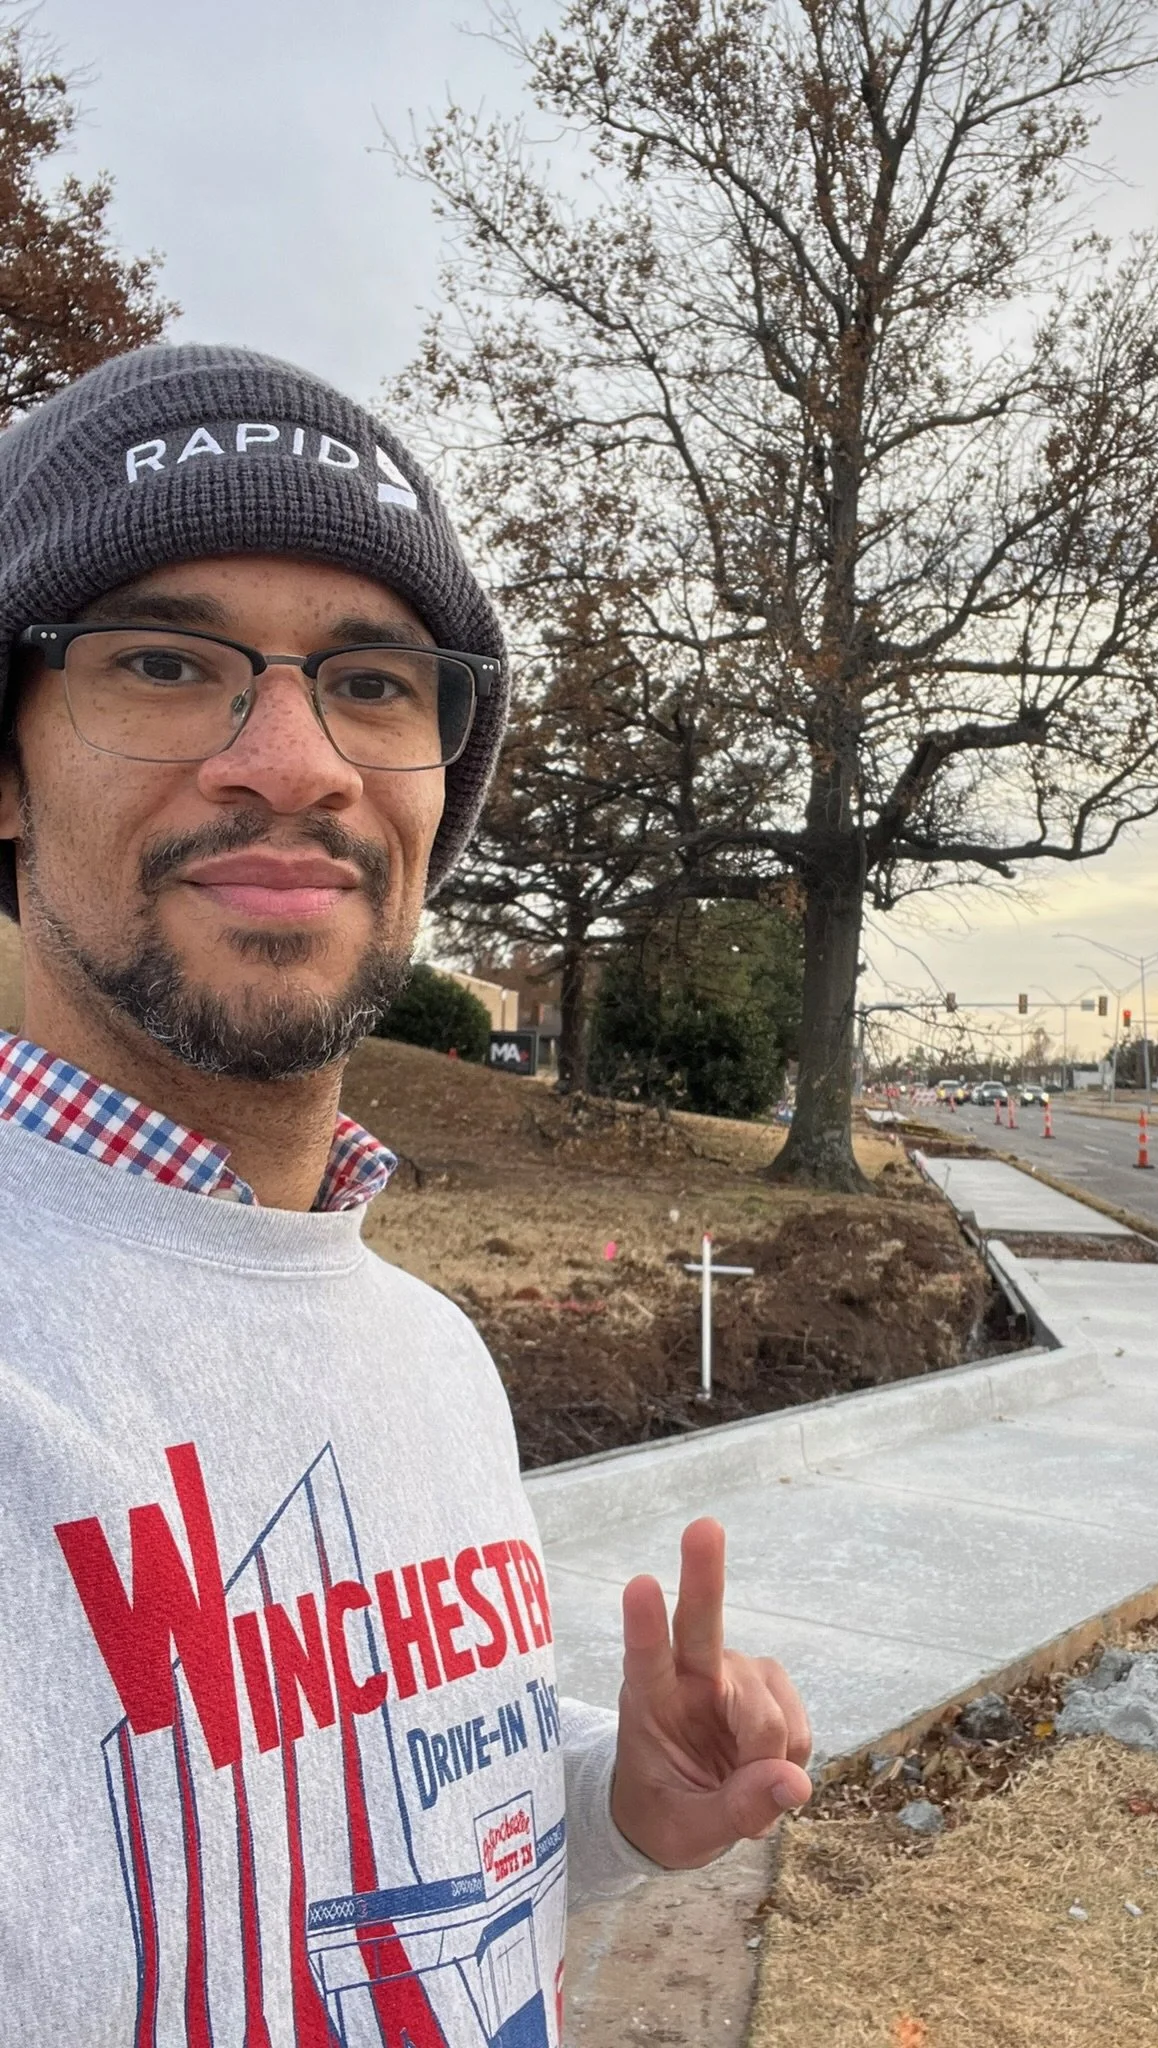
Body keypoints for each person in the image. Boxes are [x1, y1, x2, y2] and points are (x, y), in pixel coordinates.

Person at [0, 344, 811, 2047]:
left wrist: (612, 1806)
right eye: (165, 662)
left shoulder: (426, 1348)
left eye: (371, 683)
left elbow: (398, 1840)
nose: (294, 763)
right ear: (7, 769)